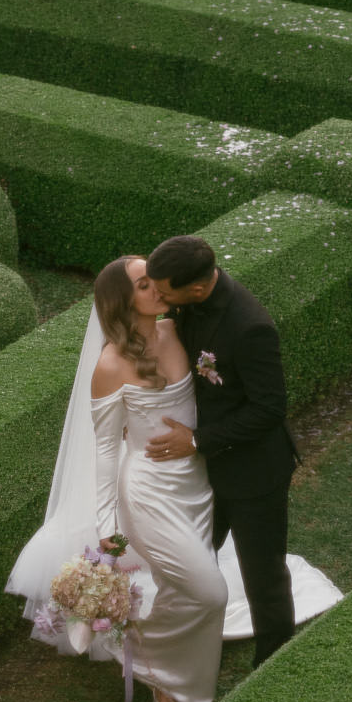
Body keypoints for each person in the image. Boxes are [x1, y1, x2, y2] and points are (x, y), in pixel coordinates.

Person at [6, 256, 226, 702]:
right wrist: (108, 526)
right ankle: (175, 683)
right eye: (144, 285)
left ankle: (163, 687)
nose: (157, 289)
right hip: (147, 492)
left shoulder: (178, 331)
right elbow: (105, 452)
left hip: (196, 485)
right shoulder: (110, 365)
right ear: (122, 300)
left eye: (155, 280)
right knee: (211, 592)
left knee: (182, 588)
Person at [143, 234, 299, 667]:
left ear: (197, 288)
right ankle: (185, 643)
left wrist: (195, 441)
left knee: (262, 573)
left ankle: (274, 660)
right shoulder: (183, 300)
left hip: (253, 473)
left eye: (164, 291)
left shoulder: (251, 327)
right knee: (191, 558)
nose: (158, 296)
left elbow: (270, 408)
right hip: (199, 473)